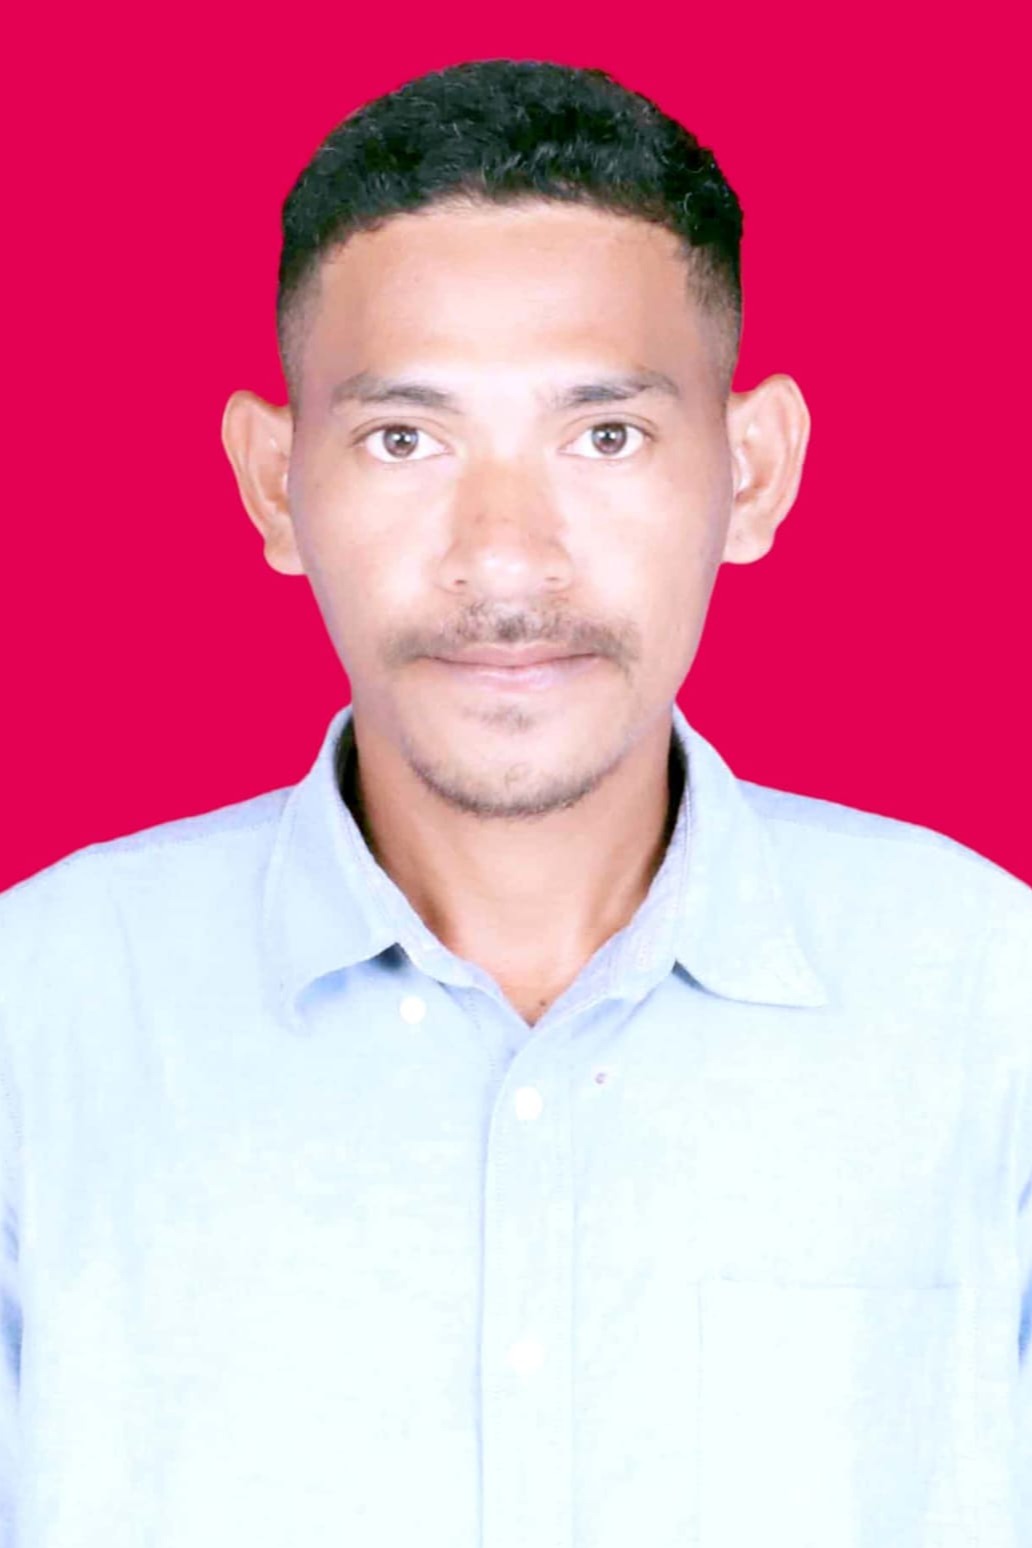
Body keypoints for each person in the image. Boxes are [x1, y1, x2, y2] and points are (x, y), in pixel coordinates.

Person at [0, 56, 1029, 1548]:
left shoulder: (991, 1004)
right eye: (404, 439)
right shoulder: (39, 1016)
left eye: (604, 436)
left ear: (752, 472)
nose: (504, 555)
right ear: (276, 484)